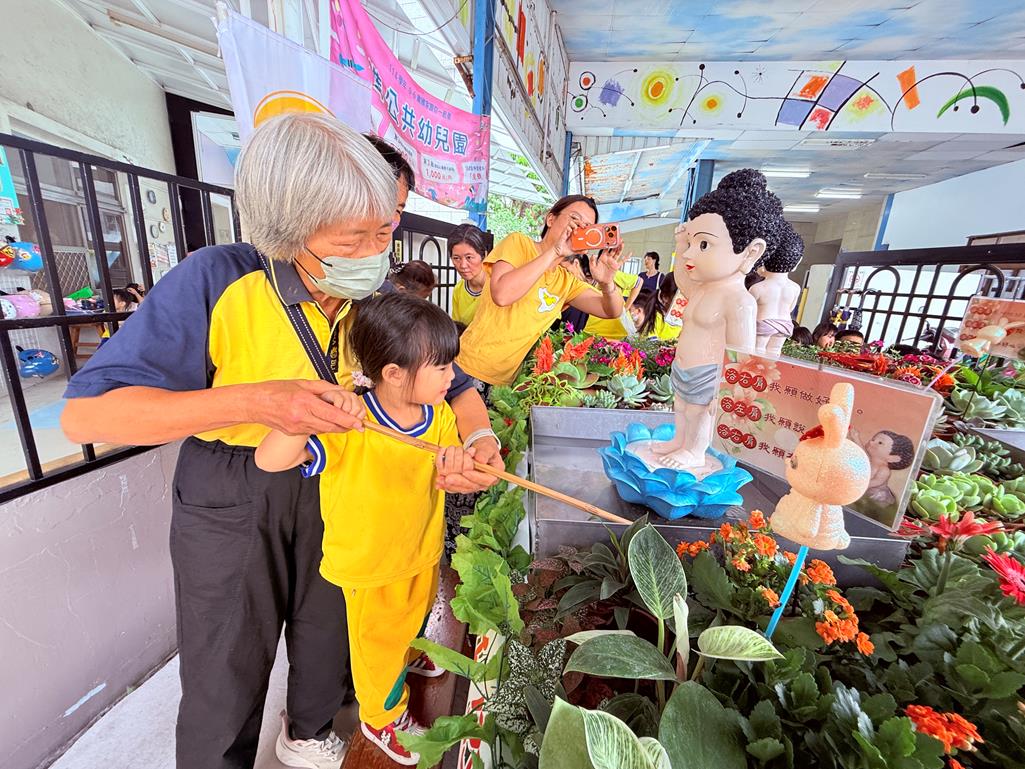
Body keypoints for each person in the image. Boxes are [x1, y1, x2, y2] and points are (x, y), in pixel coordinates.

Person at [60, 113, 501, 769]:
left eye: (385, 231)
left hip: (337, 485)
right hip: (234, 488)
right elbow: (86, 416)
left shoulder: (376, 296)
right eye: (354, 237)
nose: (375, 253)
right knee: (227, 657)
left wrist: (480, 438)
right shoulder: (216, 280)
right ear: (288, 230)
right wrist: (254, 401)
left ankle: (311, 728)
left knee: (327, 625)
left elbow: (458, 387)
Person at [256, 293, 468, 767]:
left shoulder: (439, 414)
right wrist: (313, 410)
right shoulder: (351, 425)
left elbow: (447, 469)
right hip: (371, 568)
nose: (452, 377)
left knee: (413, 620)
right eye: (441, 367)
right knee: (378, 650)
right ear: (394, 373)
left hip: (421, 550)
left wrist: (459, 462)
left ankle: (408, 656)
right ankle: (381, 718)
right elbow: (269, 460)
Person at [456, 195, 627, 388]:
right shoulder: (518, 243)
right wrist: (555, 251)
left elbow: (611, 310)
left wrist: (607, 283)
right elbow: (502, 295)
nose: (578, 228)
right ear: (551, 219)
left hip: (503, 381)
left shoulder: (567, 282)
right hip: (467, 367)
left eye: (586, 227)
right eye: (574, 219)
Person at [448, 224, 489, 325]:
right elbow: (457, 326)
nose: (463, 265)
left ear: (484, 255)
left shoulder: (497, 286)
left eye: (469, 257)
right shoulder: (458, 289)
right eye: (456, 258)